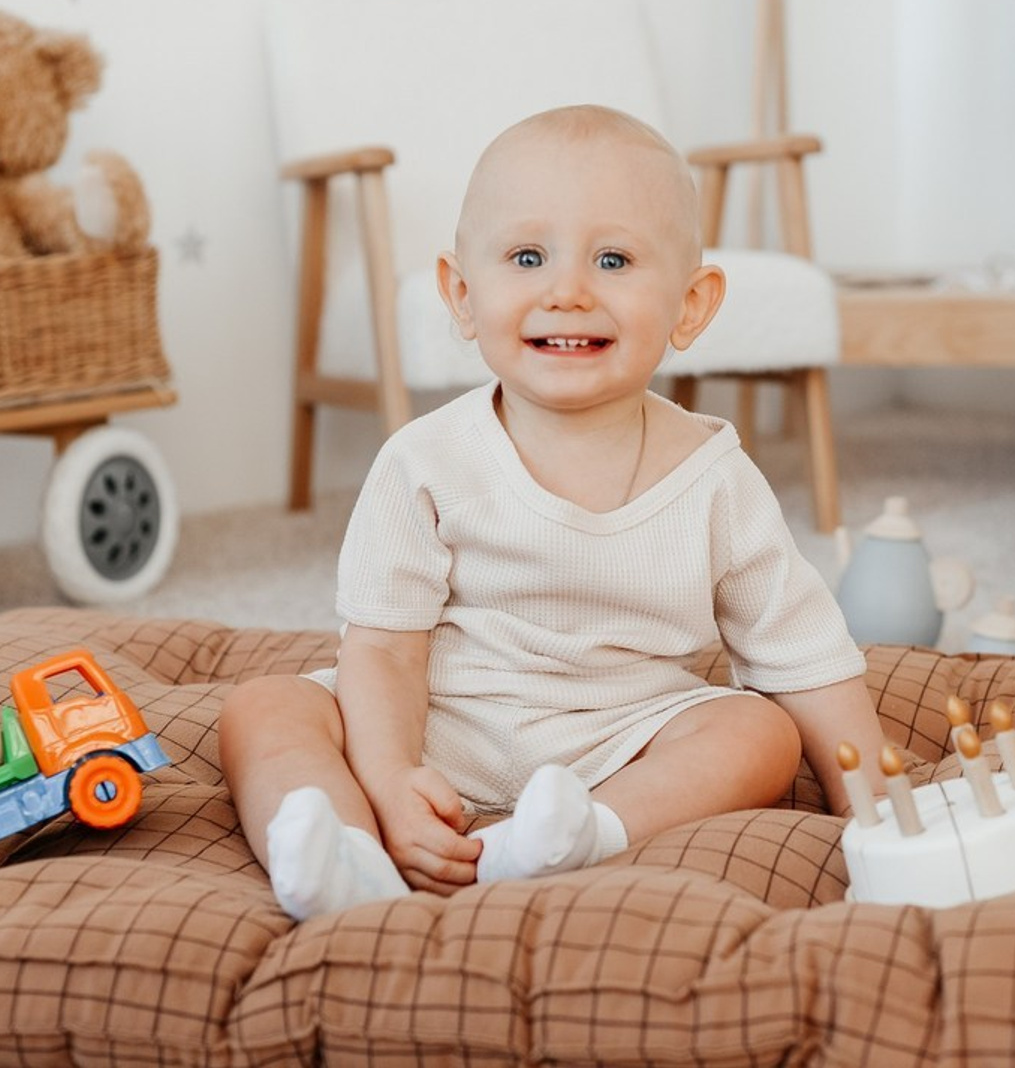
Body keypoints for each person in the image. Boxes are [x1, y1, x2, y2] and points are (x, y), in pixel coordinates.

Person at [219, 104, 887, 920]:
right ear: (462, 296)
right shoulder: (424, 462)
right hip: (441, 722)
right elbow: (387, 652)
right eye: (527, 257)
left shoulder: (714, 477)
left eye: (613, 259)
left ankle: (588, 836)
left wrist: (874, 800)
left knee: (760, 734)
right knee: (265, 709)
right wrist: (391, 779)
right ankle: (345, 850)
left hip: (624, 739)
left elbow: (803, 653)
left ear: (691, 304)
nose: (566, 292)